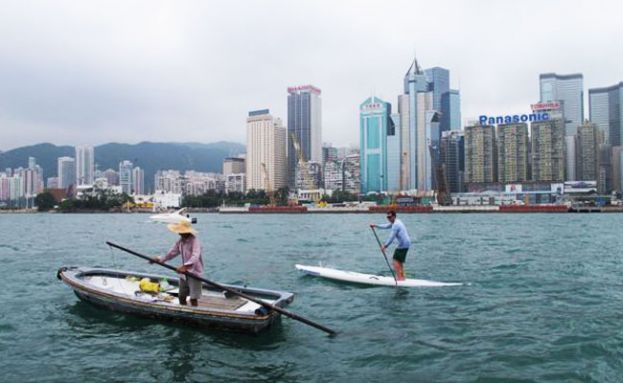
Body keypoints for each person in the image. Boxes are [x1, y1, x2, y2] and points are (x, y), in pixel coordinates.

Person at [152, 220, 204, 306]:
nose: (179, 233)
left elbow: (195, 256)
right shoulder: (180, 241)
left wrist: (185, 266)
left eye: (181, 231)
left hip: (194, 274)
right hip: (184, 274)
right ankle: (184, 311)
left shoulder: (194, 241)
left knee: (193, 298)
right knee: (181, 296)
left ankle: (195, 315)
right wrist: (159, 259)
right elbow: (171, 253)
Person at [370, 210, 411, 281]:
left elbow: (391, 237)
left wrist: (385, 246)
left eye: (390, 217)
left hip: (403, 244)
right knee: (399, 261)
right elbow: (386, 226)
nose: (388, 218)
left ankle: (399, 279)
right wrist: (376, 226)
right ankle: (403, 278)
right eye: (387, 217)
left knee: (395, 261)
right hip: (406, 243)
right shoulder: (396, 222)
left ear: (394, 216)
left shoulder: (396, 225)